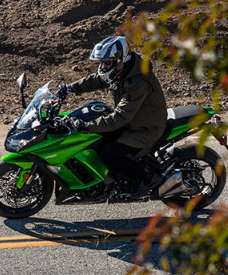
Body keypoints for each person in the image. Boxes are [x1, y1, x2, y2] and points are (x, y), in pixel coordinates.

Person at [57, 35, 167, 194]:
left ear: (120, 59)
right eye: (102, 62)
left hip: (146, 129)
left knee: (108, 154)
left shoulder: (138, 81)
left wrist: (87, 126)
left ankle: (149, 177)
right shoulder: (124, 69)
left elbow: (120, 117)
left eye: (107, 63)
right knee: (97, 139)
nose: (103, 67)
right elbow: (98, 80)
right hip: (133, 122)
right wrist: (70, 89)